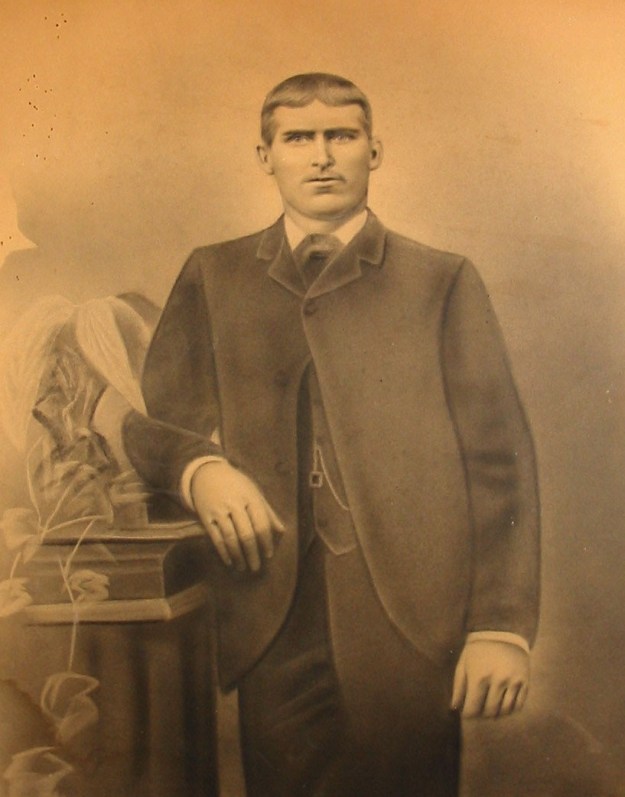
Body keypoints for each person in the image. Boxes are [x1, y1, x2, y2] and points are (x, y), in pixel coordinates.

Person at [123, 72, 540, 797]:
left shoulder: (439, 280)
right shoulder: (214, 275)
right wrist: (199, 469)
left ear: (373, 151)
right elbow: (148, 421)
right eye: (297, 138)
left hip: (414, 621)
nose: (320, 157)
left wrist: (499, 627)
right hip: (269, 611)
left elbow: (499, 463)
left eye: (340, 136)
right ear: (265, 156)